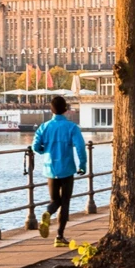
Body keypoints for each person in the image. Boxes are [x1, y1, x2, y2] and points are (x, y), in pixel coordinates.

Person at [32, 96, 86, 247]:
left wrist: (44, 151)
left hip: (50, 169)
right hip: (67, 168)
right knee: (65, 202)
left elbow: (35, 146)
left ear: (51, 110)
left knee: (55, 200)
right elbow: (80, 147)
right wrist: (83, 164)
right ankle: (59, 236)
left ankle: (48, 212)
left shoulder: (44, 127)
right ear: (66, 110)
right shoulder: (72, 128)